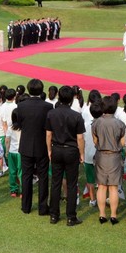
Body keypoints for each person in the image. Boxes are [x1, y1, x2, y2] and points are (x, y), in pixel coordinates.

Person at [46, 85, 86, 226]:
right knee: (71, 183)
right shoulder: (76, 116)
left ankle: (54, 215)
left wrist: (49, 150)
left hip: (57, 149)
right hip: (71, 150)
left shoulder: (52, 113)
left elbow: (48, 134)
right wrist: (82, 153)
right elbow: (80, 138)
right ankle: (70, 216)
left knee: (56, 182)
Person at [15, 78, 53, 216]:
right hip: (41, 145)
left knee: (26, 176)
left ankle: (26, 206)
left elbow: (19, 124)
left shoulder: (21, 106)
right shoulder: (47, 107)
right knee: (43, 177)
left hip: (26, 144)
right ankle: (43, 207)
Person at [92, 96, 126, 224]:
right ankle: (113, 215)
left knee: (101, 187)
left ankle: (102, 214)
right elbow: (123, 143)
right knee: (113, 187)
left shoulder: (96, 122)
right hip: (114, 156)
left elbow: (95, 141)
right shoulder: (120, 124)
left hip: (101, 155)